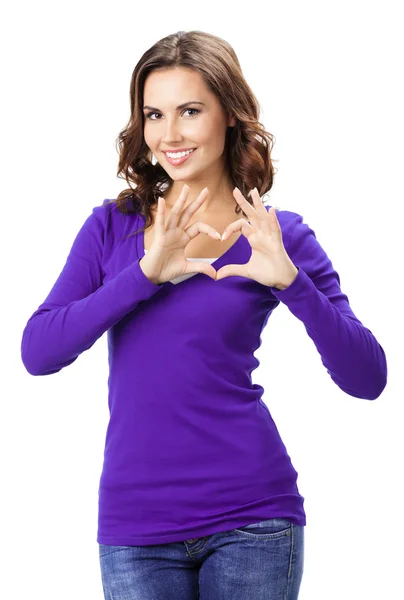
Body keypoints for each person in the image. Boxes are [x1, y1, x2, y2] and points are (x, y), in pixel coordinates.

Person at [21, 30, 387, 600]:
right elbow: (38, 352)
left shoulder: (278, 235)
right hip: (136, 529)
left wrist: (293, 284)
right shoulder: (111, 227)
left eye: (190, 111)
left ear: (229, 116)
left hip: (254, 520)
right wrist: (144, 274)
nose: (169, 134)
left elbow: (368, 379)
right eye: (154, 114)